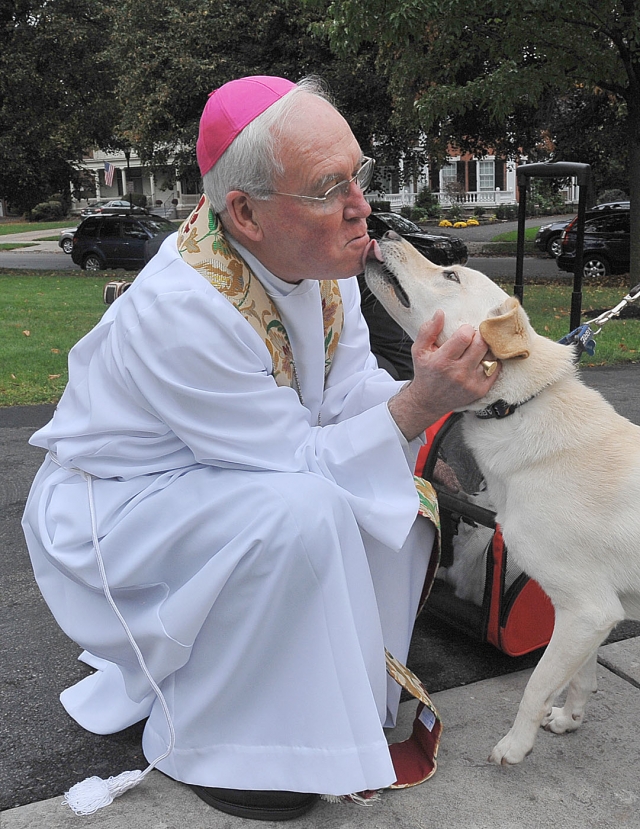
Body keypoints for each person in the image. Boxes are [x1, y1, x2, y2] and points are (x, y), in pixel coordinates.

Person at [22, 75, 498, 821]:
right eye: (328, 186)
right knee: (305, 511)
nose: (360, 206)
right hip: (117, 510)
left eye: (358, 175)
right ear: (244, 211)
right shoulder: (184, 307)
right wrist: (419, 405)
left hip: (224, 482)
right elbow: (296, 465)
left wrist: (430, 415)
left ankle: (333, 712)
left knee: (398, 503)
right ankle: (229, 746)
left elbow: (348, 395)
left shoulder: (316, 265)